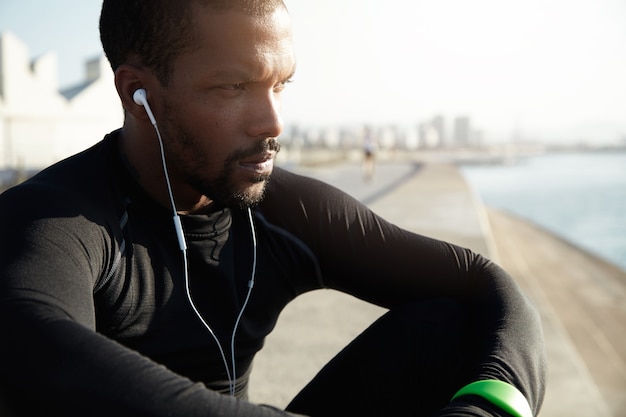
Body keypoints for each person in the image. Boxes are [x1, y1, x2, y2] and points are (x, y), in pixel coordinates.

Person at [0, 1, 546, 416]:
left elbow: (486, 284)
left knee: (447, 322)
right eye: (234, 86)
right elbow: (37, 351)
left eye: (279, 84)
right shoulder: (53, 218)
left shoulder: (280, 211)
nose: (273, 122)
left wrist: (489, 411)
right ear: (138, 94)